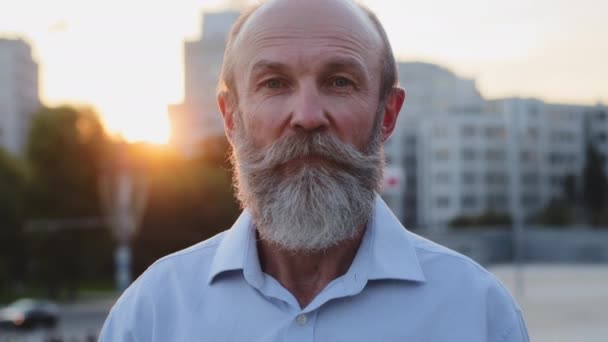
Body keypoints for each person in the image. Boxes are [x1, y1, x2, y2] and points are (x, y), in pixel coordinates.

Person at [100, 0, 530, 341]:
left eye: (340, 81)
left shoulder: (477, 313)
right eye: (273, 83)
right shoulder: (154, 313)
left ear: (387, 114)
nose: (307, 116)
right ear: (231, 117)